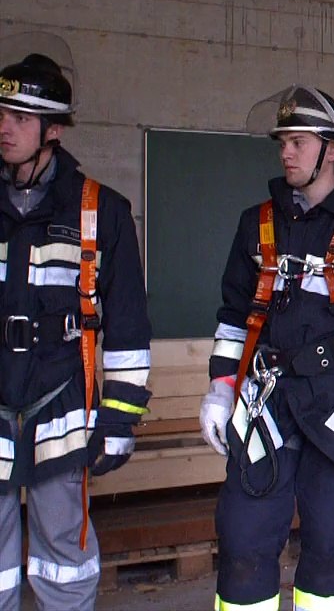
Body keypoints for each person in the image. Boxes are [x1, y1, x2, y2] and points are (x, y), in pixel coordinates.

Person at [199, 86, 334, 611]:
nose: (286, 153)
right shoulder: (257, 224)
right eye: (282, 144)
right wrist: (220, 390)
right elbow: (235, 317)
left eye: (298, 142)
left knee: (333, 548)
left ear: (332, 149)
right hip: (264, 402)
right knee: (243, 542)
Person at [0, 50, 151, 611]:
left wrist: (118, 420)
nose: (4, 127)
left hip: (59, 409)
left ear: (53, 130)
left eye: (19, 117)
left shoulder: (101, 212)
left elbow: (130, 325)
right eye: (2, 113)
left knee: (63, 554)